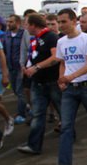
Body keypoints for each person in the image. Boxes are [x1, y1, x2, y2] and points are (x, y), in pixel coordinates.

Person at [51, 8, 87, 165]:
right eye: (59, 22)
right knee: (66, 126)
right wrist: (62, 79)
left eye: (64, 21)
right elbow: (63, 62)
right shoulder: (61, 42)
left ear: (73, 21)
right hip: (70, 89)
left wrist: (71, 76)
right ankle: (64, 164)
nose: (61, 25)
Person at [17, 14, 62, 155]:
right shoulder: (35, 39)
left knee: (63, 112)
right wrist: (27, 67)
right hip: (38, 82)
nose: (25, 27)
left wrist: (36, 67)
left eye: (26, 24)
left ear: (33, 25)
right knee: (38, 114)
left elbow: (56, 57)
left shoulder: (51, 37)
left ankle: (69, 136)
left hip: (52, 81)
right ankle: (34, 145)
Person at [3, 14, 27, 123]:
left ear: (17, 22)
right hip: (11, 66)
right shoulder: (7, 35)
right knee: (15, 90)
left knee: (20, 90)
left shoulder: (23, 34)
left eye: (11, 22)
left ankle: (21, 114)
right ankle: (26, 107)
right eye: (8, 21)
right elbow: (4, 51)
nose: (8, 24)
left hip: (20, 67)